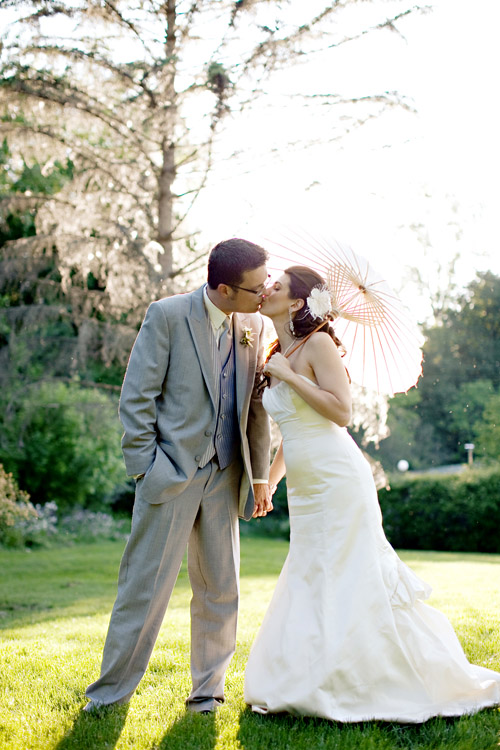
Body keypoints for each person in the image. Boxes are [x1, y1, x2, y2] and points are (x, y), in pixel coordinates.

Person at [244, 264, 500, 722]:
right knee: (311, 569)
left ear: (298, 302)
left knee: (349, 571)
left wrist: (290, 374)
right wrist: (272, 478)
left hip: (338, 480)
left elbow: (340, 413)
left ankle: (374, 677)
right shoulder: (279, 349)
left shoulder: (317, 344)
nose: (266, 290)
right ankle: (310, 675)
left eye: (276, 286)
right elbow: (293, 427)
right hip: (306, 485)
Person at [84, 238, 273, 714]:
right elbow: (137, 398)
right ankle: (109, 694)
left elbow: (254, 409)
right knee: (144, 589)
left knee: (220, 589)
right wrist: (146, 468)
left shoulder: (254, 322)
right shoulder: (167, 316)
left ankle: (207, 691)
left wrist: (258, 476)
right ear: (224, 288)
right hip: (169, 473)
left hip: (225, 475)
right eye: (256, 287)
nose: (265, 294)